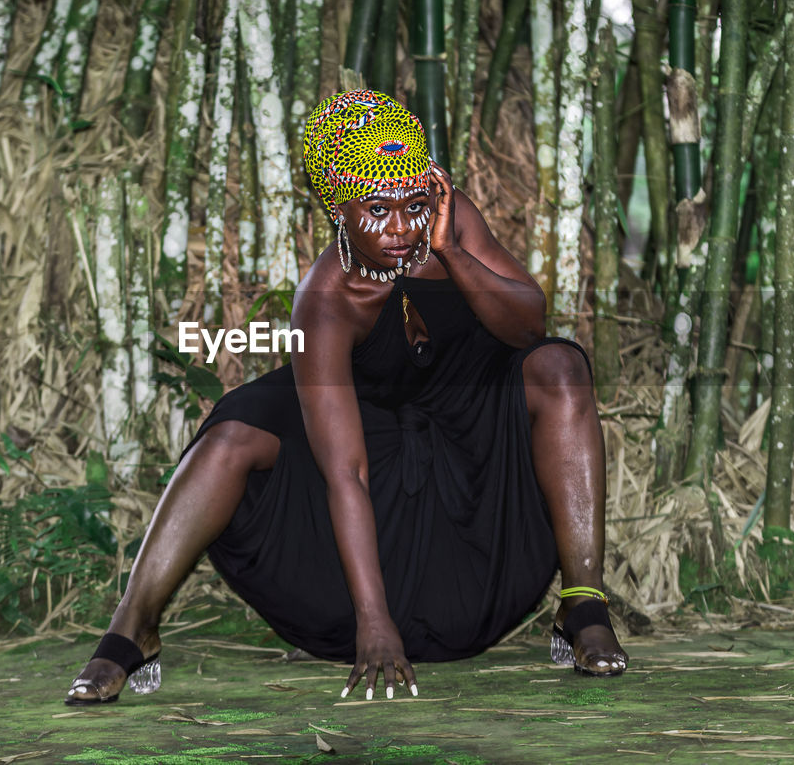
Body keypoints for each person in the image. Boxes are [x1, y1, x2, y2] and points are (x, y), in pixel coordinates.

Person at [65, 90, 627, 706]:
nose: (401, 227)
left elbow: (528, 327)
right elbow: (347, 471)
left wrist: (451, 252)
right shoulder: (324, 300)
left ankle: (583, 605)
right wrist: (373, 620)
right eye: (377, 209)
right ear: (337, 206)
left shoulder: (447, 221)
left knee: (561, 367)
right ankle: (132, 627)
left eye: (415, 204)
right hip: (366, 432)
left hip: (471, 428)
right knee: (231, 433)